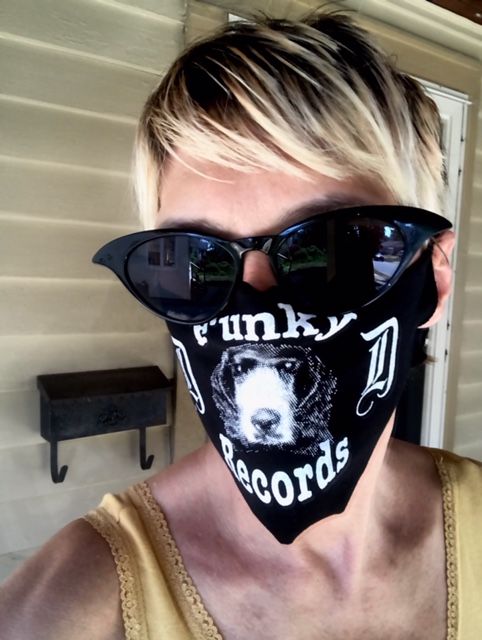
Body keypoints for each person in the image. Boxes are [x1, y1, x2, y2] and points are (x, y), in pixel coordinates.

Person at [1, 11, 481, 640]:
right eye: (195, 259)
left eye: (333, 248)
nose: (253, 308)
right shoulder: (74, 606)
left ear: (434, 280)